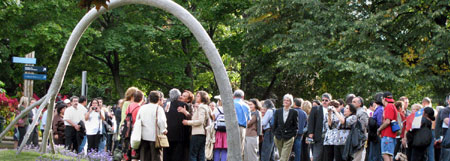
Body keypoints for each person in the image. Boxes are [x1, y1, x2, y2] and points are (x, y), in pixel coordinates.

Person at [136, 91, 167, 161]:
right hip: (155, 137)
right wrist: (163, 129)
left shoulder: (142, 108)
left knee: (145, 157)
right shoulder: (159, 109)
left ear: (149, 98)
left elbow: (138, 120)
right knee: (156, 157)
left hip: (143, 136)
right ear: (159, 99)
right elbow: (161, 121)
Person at [182, 91, 211, 161]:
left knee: (193, 155)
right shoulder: (205, 107)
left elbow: (200, 121)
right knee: (201, 154)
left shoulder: (201, 107)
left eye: (198, 96)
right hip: (202, 133)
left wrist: (188, 122)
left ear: (203, 98)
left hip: (197, 133)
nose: (196, 97)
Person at [164, 89, 192, 161]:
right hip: (181, 135)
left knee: (167, 155)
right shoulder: (184, 105)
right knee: (178, 156)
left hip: (168, 134)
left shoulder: (167, 105)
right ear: (179, 96)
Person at [273, 94, 299, 161]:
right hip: (278, 136)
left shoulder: (294, 112)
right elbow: (275, 124)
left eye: (288, 100)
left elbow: (295, 125)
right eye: (285, 100)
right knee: (282, 155)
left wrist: (293, 135)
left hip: (289, 137)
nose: (286, 102)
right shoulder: (278, 111)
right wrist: (275, 134)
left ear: (291, 102)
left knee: (284, 157)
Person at [307, 93, 332, 161]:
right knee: (316, 156)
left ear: (330, 101)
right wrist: (310, 133)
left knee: (327, 156)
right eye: (323, 100)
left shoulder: (332, 110)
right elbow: (311, 121)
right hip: (318, 135)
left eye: (326, 100)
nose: (324, 101)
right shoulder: (316, 109)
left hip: (329, 136)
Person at [122, 90, 144, 161]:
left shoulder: (129, 106)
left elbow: (126, 116)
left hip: (127, 132)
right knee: (134, 154)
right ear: (141, 98)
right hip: (135, 132)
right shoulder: (140, 108)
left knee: (127, 153)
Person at [377, 92, 397, 161]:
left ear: (383, 99)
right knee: (390, 156)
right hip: (391, 135)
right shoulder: (393, 106)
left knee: (385, 155)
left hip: (387, 135)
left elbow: (388, 121)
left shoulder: (388, 106)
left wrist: (379, 129)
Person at [233, 89, 251, 159]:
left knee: (231, 148)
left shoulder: (231, 103)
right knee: (240, 149)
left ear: (234, 96)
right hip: (242, 128)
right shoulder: (246, 106)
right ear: (243, 97)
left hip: (231, 128)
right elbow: (248, 121)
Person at [352, 96, 369, 161]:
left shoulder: (362, 113)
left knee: (358, 158)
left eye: (354, 102)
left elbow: (362, 126)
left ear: (359, 104)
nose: (352, 103)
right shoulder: (354, 112)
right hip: (354, 139)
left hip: (359, 140)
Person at [368, 92, 384, 161]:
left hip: (376, 134)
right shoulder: (380, 109)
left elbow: (379, 123)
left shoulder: (379, 109)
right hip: (375, 134)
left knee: (376, 154)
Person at [436, 94, 450, 161]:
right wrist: (437, 137)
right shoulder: (445, 110)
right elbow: (447, 122)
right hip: (447, 142)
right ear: (448, 101)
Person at [213, 97, 227, 161]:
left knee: (217, 149)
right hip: (226, 132)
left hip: (218, 131)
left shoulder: (217, 109)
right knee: (225, 149)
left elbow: (213, 118)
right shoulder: (229, 109)